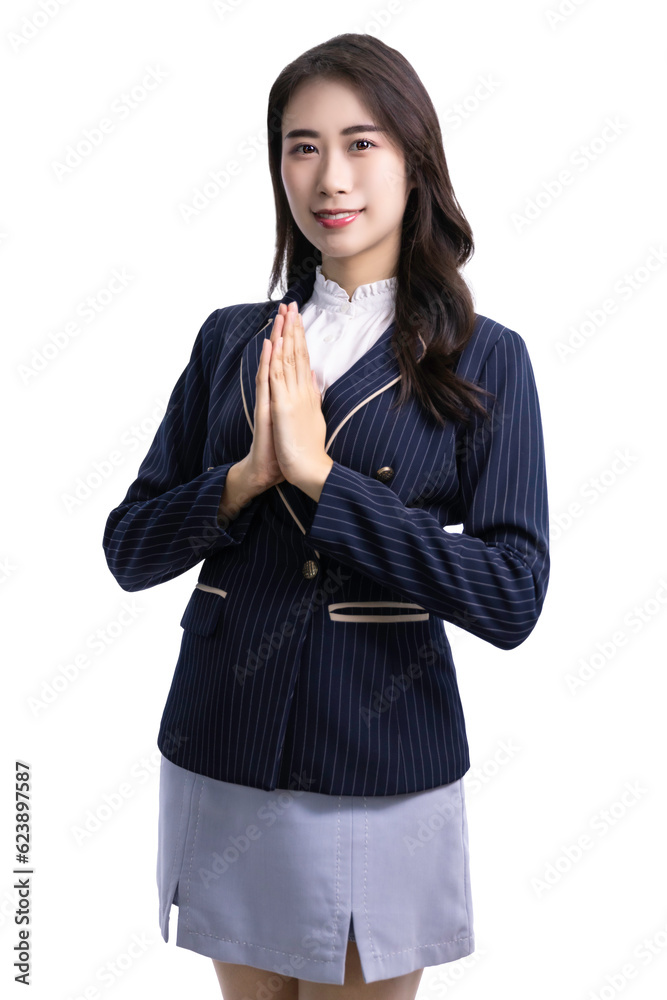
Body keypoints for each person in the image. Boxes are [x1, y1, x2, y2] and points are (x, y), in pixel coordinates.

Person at [102, 33, 550, 1000]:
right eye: (301, 146)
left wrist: (320, 479)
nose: (329, 176)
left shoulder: (485, 357)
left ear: (414, 159)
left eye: (360, 142)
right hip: (225, 740)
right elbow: (128, 551)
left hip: (379, 758)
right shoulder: (231, 338)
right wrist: (246, 478)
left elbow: (512, 596)